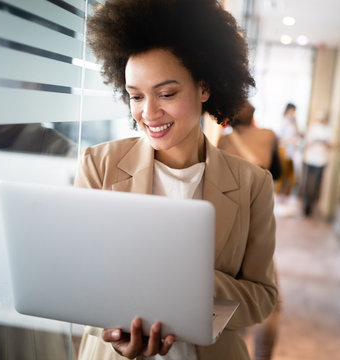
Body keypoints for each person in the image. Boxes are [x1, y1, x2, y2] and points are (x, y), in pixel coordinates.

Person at [74, 1, 278, 359]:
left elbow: (262, 298)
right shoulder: (98, 166)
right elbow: (77, 283)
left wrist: (188, 283)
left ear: (204, 87)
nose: (148, 113)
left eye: (166, 94)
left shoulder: (252, 184)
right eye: (136, 96)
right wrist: (115, 333)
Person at [217, 101, 281, 360]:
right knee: (271, 302)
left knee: (231, 299)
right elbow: (276, 172)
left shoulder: (221, 143)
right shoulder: (269, 136)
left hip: (227, 226)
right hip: (257, 223)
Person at [218, 101, 281, 180]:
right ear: (252, 114)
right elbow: (276, 173)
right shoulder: (269, 134)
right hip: (259, 186)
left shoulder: (223, 140)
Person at [302, 110, 332, 217]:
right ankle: (306, 206)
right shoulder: (312, 128)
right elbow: (307, 142)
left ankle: (313, 205)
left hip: (321, 160)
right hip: (310, 159)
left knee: (316, 185)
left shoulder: (328, 130)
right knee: (307, 184)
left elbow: (330, 145)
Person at [275, 103, 301, 198]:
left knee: (292, 177)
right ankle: (278, 197)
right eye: (293, 110)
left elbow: (299, 134)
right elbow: (280, 138)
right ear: (288, 110)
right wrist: (291, 140)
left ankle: (285, 196)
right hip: (284, 149)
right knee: (282, 174)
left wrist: (296, 121)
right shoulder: (283, 121)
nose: (294, 113)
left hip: (292, 152)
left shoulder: (293, 122)